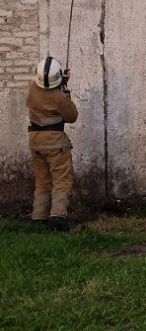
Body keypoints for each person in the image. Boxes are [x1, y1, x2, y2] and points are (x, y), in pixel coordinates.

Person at [27, 57, 79, 232]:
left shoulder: (32, 89)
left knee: (42, 181)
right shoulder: (59, 97)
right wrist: (65, 91)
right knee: (61, 179)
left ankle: (38, 217)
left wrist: (60, 84)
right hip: (55, 142)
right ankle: (57, 216)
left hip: (35, 141)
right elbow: (72, 116)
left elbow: (45, 93)